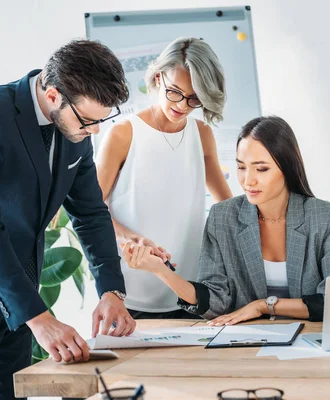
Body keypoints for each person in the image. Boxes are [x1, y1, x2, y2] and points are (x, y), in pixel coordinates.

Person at [0, 40, 136, 400]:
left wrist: (111, 290)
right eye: (89, 121)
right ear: (52, 96)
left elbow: (91, 211)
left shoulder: (75, 128)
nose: (95, 131)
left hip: (20, 292)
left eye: (102, 120)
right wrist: (39, 318)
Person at [122, 116, 330, 324]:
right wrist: (161, 271)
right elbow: (215, 301)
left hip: (312, 341)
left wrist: (263, 306)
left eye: (261, 169)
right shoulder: (223, 217)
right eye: (241, 167)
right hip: (247, 343)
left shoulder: (323, 217)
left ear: (287, 166)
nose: (248, 180)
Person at [96, 37, 232, 320]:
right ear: (158, 78)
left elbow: (228, 208)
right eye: (174, 92)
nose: (182, 105)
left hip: (188, 291)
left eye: (194, 98)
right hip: (131, 293)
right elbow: (93, 211)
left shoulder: (202, 134)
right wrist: (130, 237)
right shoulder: (124, 133)